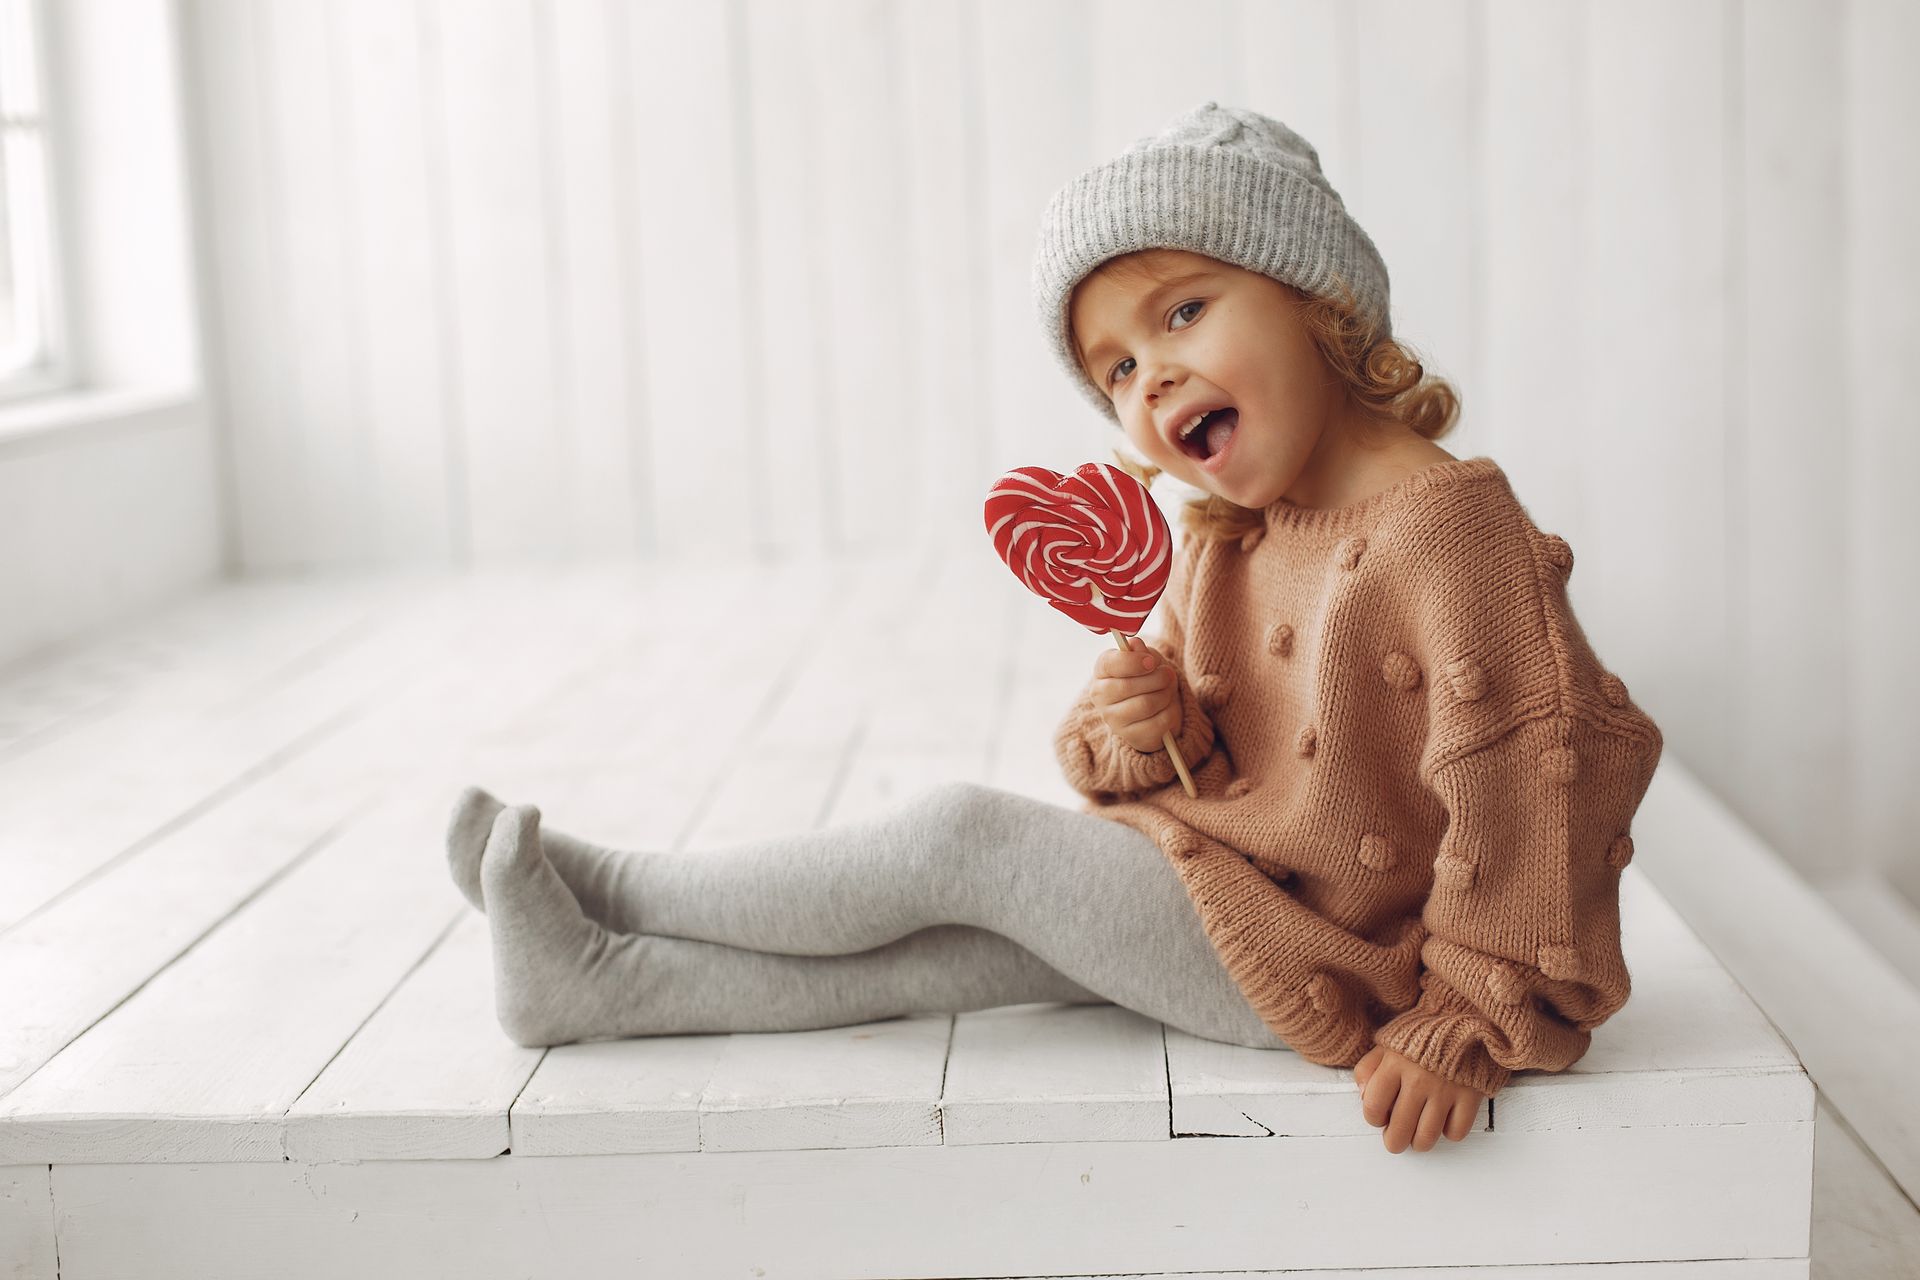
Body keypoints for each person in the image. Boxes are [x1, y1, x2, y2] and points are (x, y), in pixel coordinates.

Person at [447, 101, 1663, 1157]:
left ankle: (616, 884)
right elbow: (1183, 750)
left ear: (1319, 301)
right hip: (1218, 880)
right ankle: (595, 982)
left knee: (958, 841)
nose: (1153, 381)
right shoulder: (1230, 533)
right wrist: (1140, 729)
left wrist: (1463, 1013)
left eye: (1183, 313)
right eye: (1118, 370)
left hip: (1334, 952)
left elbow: (1538, 780)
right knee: (952, 952)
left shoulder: (1451, 531)